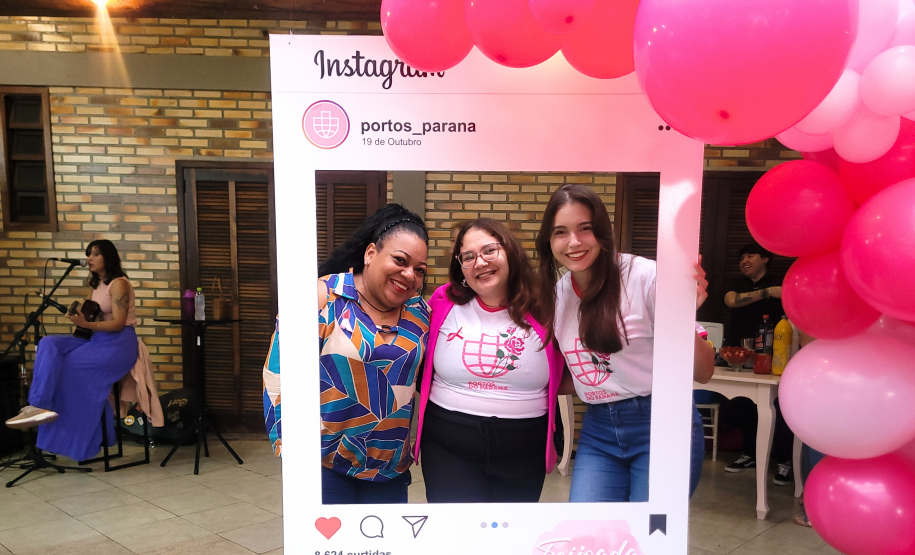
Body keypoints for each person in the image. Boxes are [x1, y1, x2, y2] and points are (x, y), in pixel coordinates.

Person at [536, 184, 714, 502]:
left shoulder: (646, 278)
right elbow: (573, 375)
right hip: (598, 427)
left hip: (662, 423)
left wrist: (681, 319)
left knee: (649, 542)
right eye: (560, 232)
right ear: (549, 242)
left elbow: (704, 371)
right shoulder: (557, 294)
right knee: (591, 539)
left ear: (603, 232)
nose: (573, 242)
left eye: (585, 229)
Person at [262, 204, 430, 504]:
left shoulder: (420, 314)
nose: (409, 274)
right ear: (370, 254)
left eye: (419, 270)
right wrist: (291, 450)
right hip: (324, 466)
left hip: (390, 470)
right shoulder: (324, 297)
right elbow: (278, 375)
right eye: (400, 260)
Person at [413, 218, 566, 503]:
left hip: (524, 448)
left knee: (509, 539)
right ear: (460, 268)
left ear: (510, 252)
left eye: (489, 250)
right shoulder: (443, 301)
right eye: (468, 257)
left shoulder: (546, 305)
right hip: (449, 445)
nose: (480, 262)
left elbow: (570, 366)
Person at [4, 240, 142, 462]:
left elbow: (118, 323)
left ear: (108, 257)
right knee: (48, 343)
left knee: (66, 367)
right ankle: (39, 406)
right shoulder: (97, 284)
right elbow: (90, 317)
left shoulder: (119, 284)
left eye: (95, 254)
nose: (89, 259)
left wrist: (87, 324)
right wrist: (78, 315)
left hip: (118, 344)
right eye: (88, 254)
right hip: (94, 338)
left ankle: (89, 434)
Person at [721, 242, 794, 483]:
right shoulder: (738, 284)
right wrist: (766, 292)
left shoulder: (781, 281)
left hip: (774, 356)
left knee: (779, 407)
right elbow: (731, 300)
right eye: (742, 256)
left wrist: (776, 291)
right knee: (737, 405)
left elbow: (788, 297)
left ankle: (784, 461)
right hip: (739, 355)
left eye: (750, 255)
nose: (744, 260)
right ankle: (750, 454)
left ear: (765, 259)